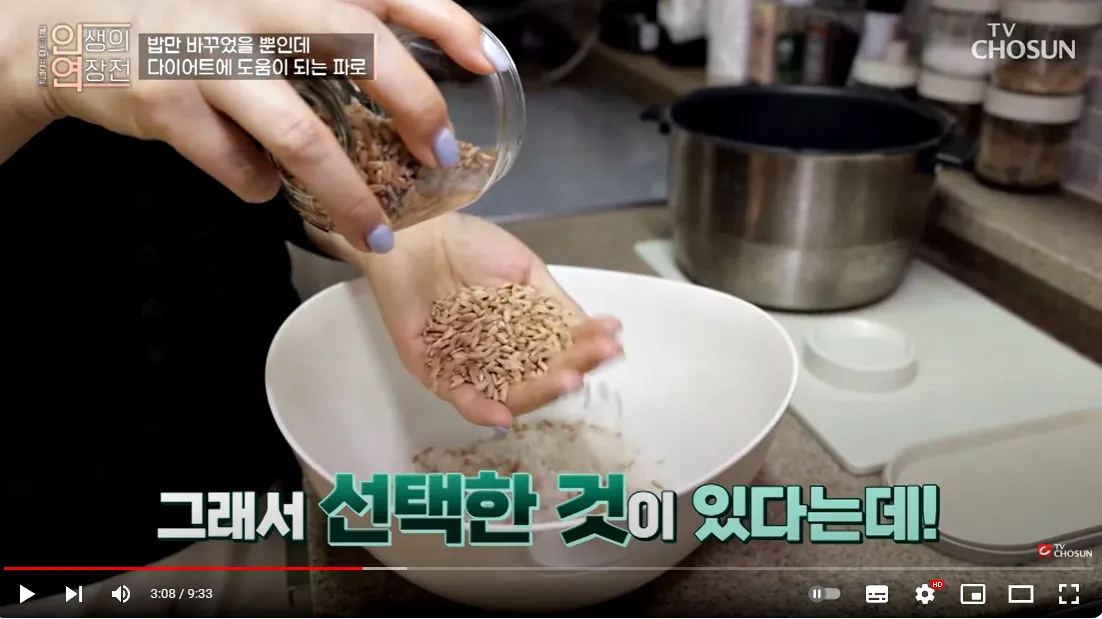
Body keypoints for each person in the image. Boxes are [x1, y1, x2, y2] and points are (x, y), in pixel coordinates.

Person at [0, 0, 623, 614]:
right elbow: (107, 53)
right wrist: (39, 55)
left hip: (265, 487)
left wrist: (398, 223)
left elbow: (247, 113)